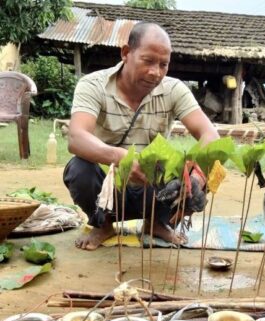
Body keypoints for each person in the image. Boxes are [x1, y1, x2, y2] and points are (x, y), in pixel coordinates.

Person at [64, 22, 219, 250]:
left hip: (153, 188)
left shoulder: (174, 89)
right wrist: (121, 157)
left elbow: (210, 135)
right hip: (108, 190)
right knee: (79, 169)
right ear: (126, 53)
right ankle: (103, 223)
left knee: (201, 167)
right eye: (148, 61)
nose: (155, 72)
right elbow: (76, 137)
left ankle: (157, 223)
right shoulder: (93, 85)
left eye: (163, 64)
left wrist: (195, 179)